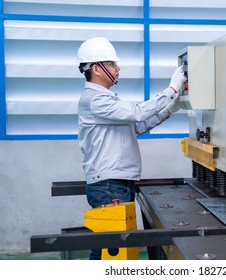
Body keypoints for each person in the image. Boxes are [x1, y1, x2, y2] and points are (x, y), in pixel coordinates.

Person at [76, 37, 186, 260]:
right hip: (109, 185)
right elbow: (136, 113)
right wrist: (172, 88)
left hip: (116, 183)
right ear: (97, 69)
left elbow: (137, 126)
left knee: (110, 249)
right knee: (110, 250)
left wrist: (169, 110)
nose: (118, 68)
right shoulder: (94, 100)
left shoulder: (107, 100)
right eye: (113, 64)